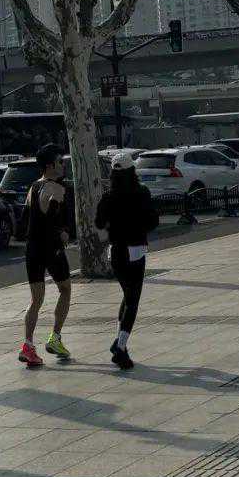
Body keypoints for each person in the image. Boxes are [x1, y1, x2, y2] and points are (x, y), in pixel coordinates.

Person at [95, 150, 158, 369]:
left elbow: (99, 223)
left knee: (127, 295)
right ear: (133, 171)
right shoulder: (141, 192)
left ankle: (119, 341)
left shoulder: (108, 197)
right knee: (133, 300)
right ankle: (121, 347)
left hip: (115, 250)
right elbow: (153, 221)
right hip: (136, 250)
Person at [19, 143, 73, 367]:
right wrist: (62, 233)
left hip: (32, 248)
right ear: (50, 166)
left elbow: (24, 220)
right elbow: (53, 215)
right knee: (65, 289)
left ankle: (28, 346)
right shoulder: (56, 189)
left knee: (36, 300)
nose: (63, 165)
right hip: (51, 248)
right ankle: (55, 338)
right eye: (60, 161)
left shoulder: (33, 187)